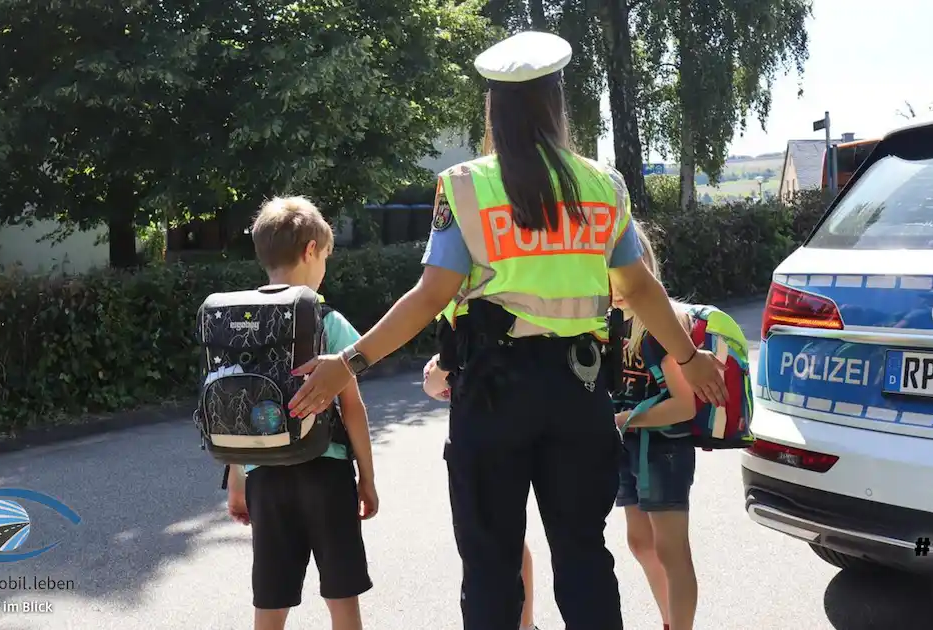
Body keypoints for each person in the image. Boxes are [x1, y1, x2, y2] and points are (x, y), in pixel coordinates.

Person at [285, 30, 728, 630]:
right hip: (579, 392)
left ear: (493, 109)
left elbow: (430, 297)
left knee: (490, 565)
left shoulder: (464, 186)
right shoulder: (604, 187)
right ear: (556, 105)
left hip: (491, 394)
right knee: (584, 557)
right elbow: (642, 289)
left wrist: (350, 362)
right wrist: (691, 356)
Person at [225, 196, 380, 630]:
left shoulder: (238, 323)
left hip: (265, 476)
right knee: (341, 597)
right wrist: (366, 478)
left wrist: (237, 480)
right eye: (325, 256)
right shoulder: (325, 320)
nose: (325, 266)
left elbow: (235, 410)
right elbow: (352, 407)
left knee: (270, 603)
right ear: (311, 250)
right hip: (325, 472)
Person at [610, 222, 698, 630]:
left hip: (663, 449)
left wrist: (628, 418)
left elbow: (684, 406)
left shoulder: (665, 323)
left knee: (671, 550)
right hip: (629, 445)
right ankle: (668, 620)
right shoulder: (612, 323)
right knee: (640, 542)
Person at [423, 353, 541, 630]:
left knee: (506, 542)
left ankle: (526, 624)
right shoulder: (462, 336)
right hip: (477, 443)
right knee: (499, 544)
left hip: (509, 438)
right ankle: (526, 623)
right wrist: (446, 362)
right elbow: (430, 385)